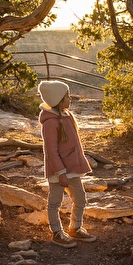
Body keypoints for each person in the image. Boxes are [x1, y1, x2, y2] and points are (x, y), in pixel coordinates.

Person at [37, 79, 96, 248]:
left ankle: (75, 228)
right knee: (55, 202)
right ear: (58, 100)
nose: (70, 99)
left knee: (80, 198)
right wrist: (60, 172)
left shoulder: (67, 116)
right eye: (67, 96)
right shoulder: (50, 123)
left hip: (72, 168)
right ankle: (56, 232)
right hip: (59, 170)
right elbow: (51, 151)